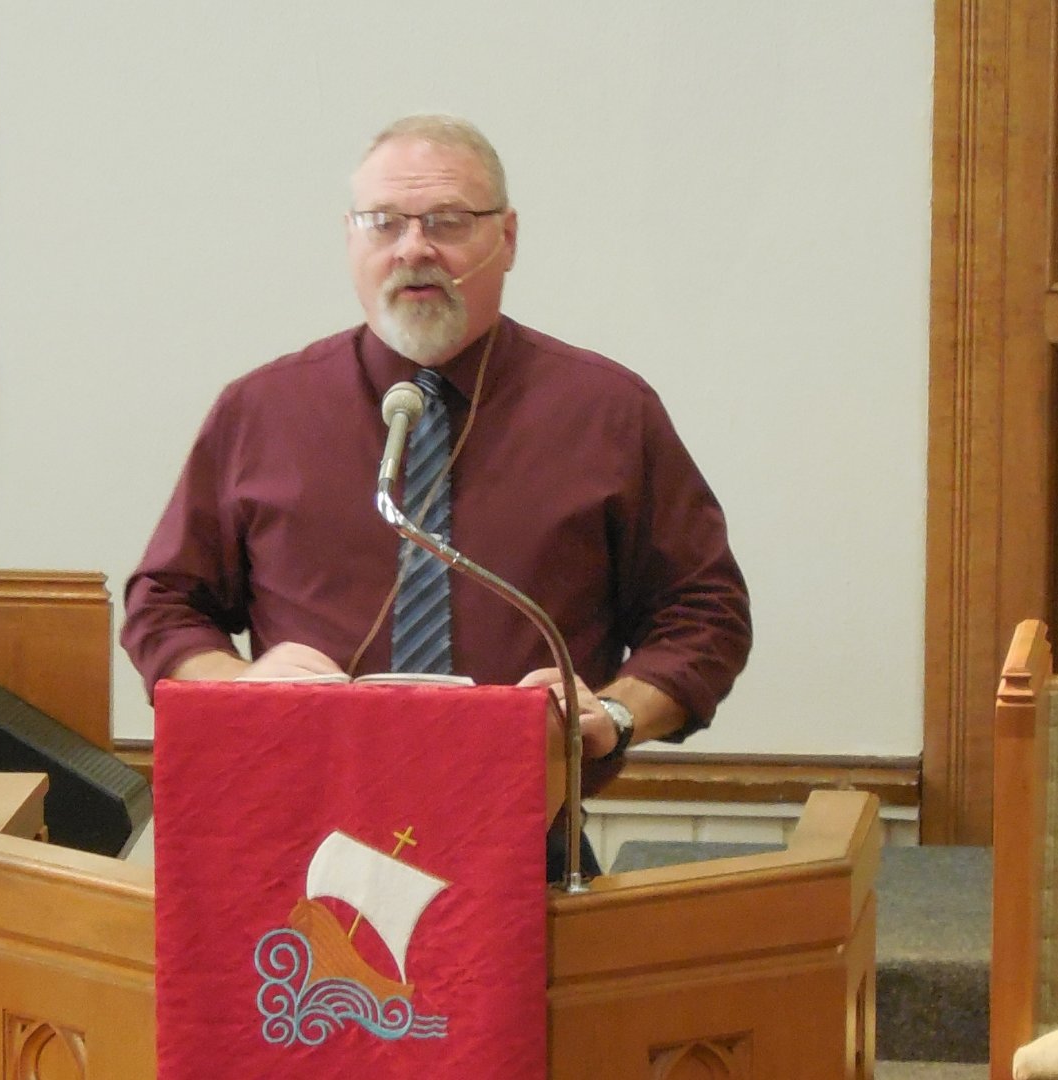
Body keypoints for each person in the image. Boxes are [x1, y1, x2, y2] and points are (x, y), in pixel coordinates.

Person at [121, 115, 752, 875]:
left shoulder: (606, 411)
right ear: (350, 240)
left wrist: (613, 714)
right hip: (298, 844)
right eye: (383, 223)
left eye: (448, 221)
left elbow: (704, 612)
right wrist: (238, 686)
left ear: (507, 238)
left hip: (528, 845)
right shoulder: (263, 410)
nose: (413, 248)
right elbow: (163, 602)